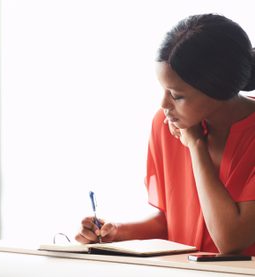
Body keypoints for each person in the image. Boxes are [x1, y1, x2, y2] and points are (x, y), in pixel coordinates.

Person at [75, 13, 255, 255]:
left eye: (177, 95)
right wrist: (115, 232)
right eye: (163, 90)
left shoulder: (192, 133)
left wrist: (196, 146)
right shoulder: (165, 124)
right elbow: (172, 221)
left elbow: (230, 241)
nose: (164, 105)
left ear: (218, 89)